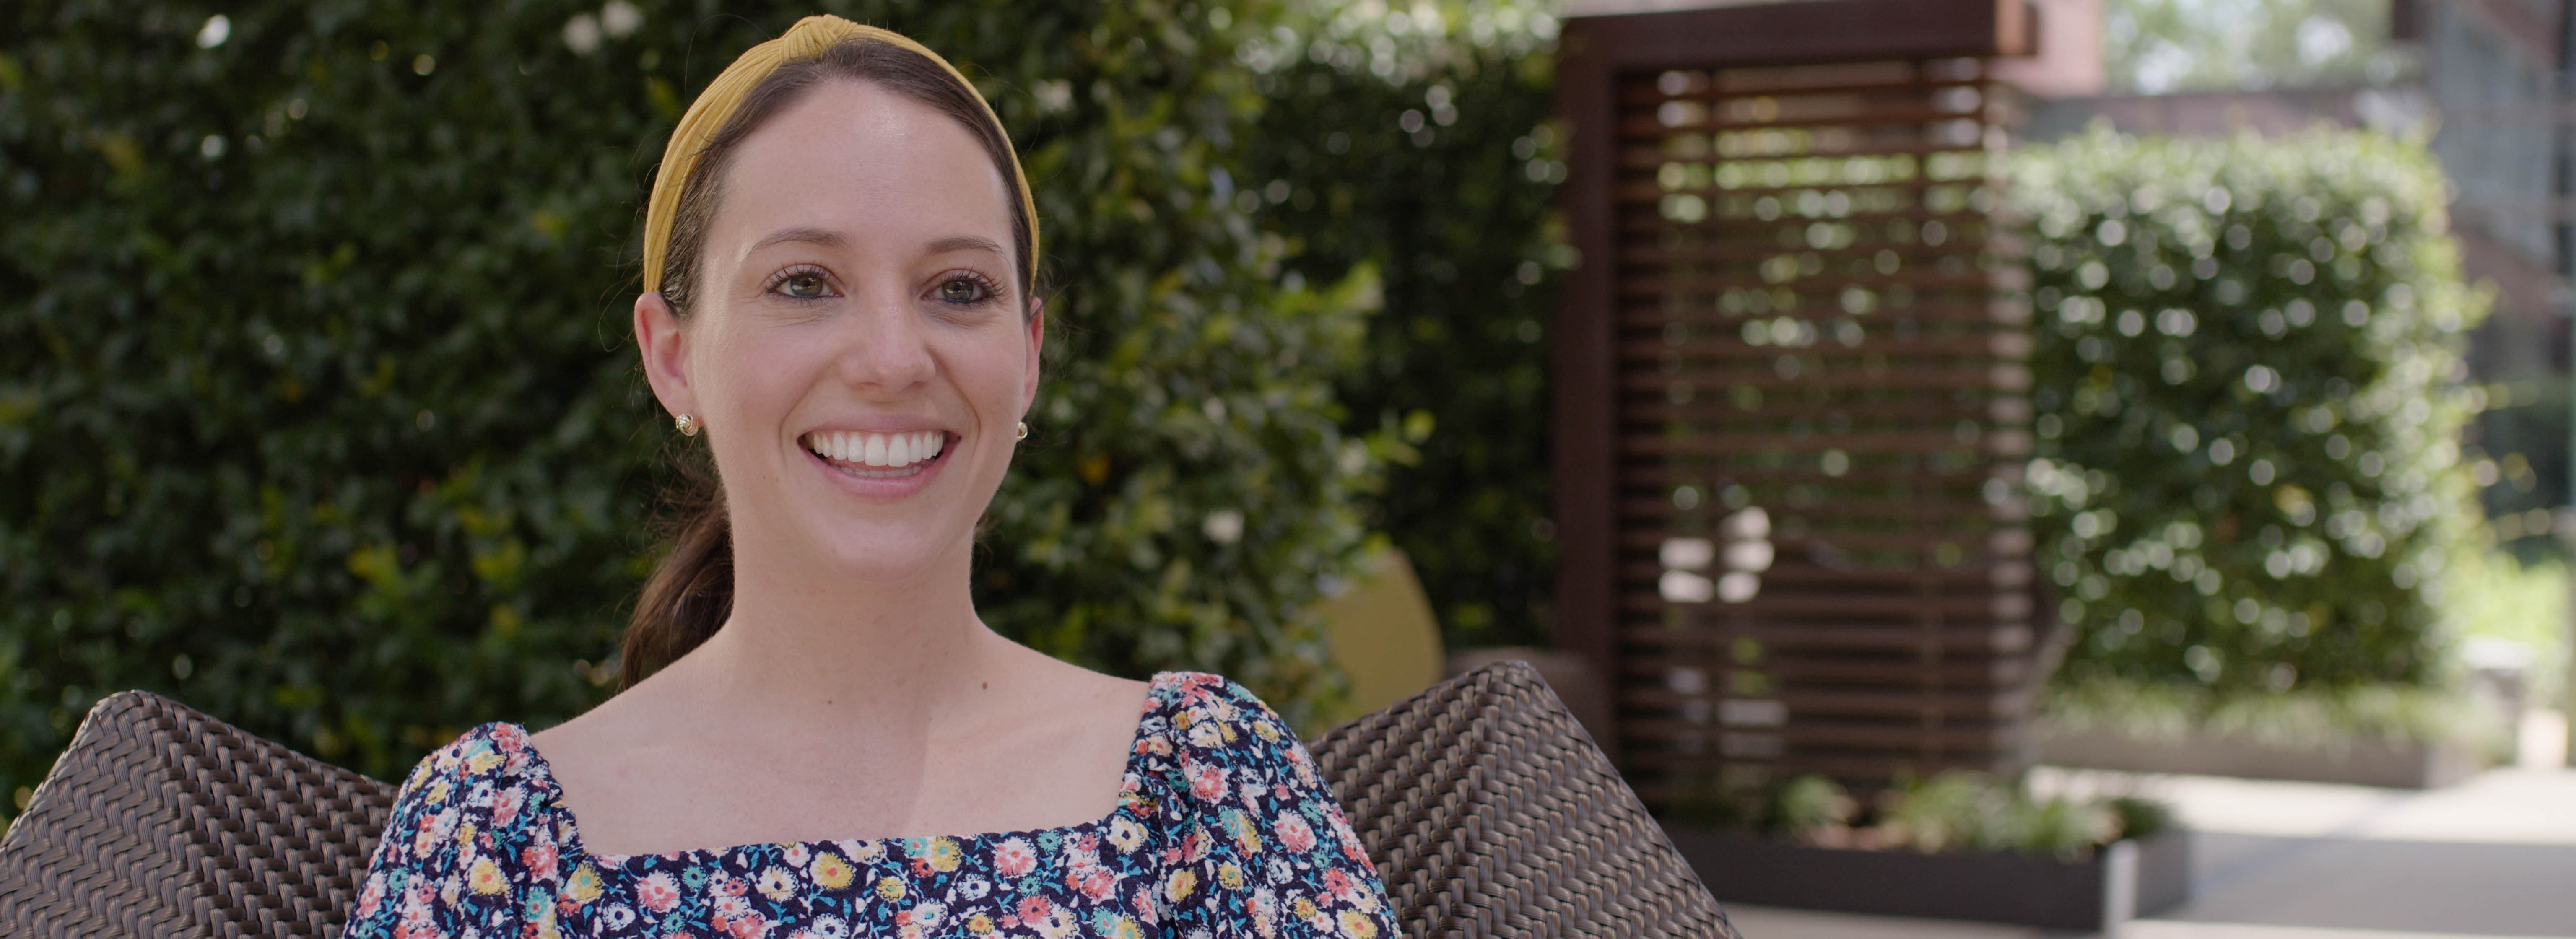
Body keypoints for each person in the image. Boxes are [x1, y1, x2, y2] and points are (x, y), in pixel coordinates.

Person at [344, 16, 1397, 939]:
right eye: (805, 283)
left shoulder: (1209, 792)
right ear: (672, 355)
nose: (894, 358)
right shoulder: (493, 842)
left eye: (958, 287)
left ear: (1027, 354)